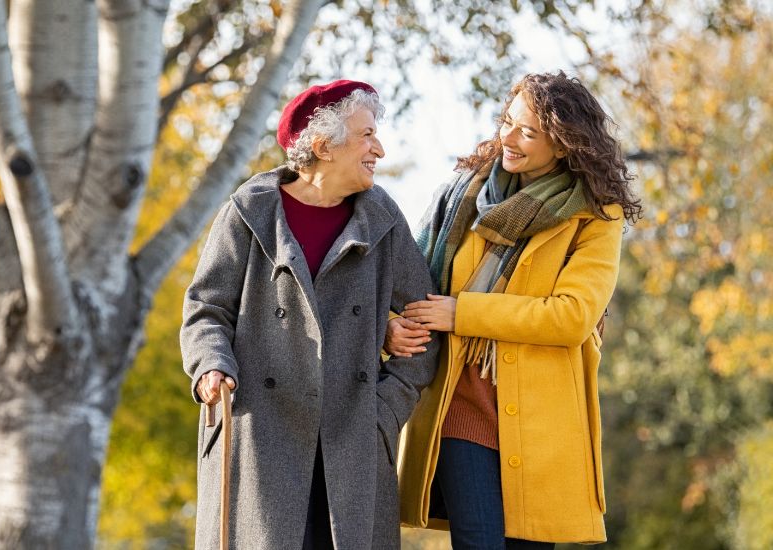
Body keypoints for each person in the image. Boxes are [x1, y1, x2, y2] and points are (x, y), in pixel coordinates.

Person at [180, 80, 439, 549]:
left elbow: (427, 323)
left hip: (353, 443)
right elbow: (206, 310)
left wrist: (383, 413)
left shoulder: (382, 218)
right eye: (366, 135)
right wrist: (210, 366)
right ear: (323, 145)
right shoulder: (248, 212)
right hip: (260, 439)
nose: (378, 148)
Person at [388, 71, 642, 548]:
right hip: (460, 407)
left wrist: (463, 313)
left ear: (564, 145)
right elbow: (406, 285)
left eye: (527, 132)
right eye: (508, 121)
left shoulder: (595, 217)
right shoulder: (462, 197)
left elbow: (571, 317)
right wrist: (389, 328)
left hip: (542, 422)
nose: (508, 137)